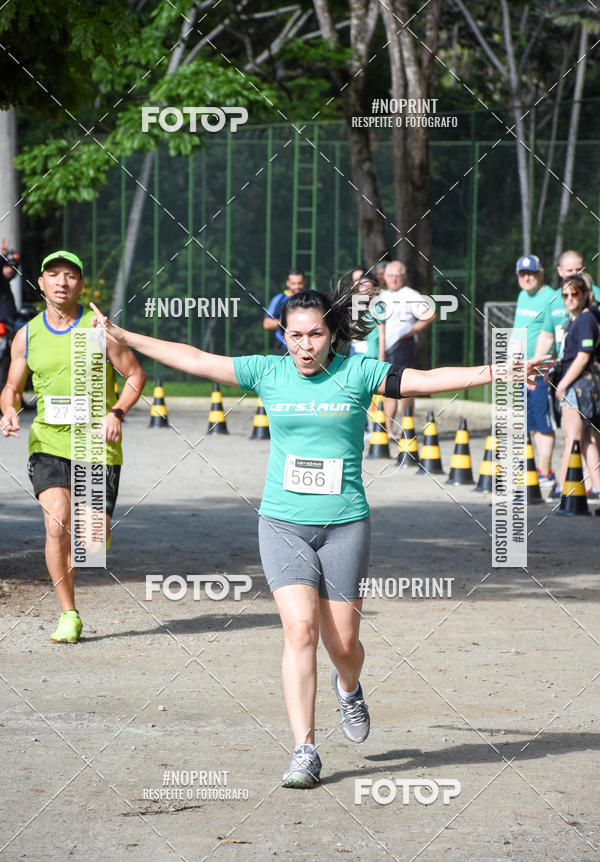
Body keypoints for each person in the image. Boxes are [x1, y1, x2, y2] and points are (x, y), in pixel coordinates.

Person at [88, 279, 549, 789]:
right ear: (282, 335)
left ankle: (348, 687)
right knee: (299, 631)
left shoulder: (358, 372)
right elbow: (195, 358)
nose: (304, 345)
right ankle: (304, 748)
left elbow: (426, 379)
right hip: (282, 523)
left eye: (314, 335)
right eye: (295, 335)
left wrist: (498, 370)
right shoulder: (268, 371)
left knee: (344, 643)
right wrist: (122, 334)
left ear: (332, 335)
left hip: (345, 524)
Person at [0, 250, 146, 643]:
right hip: (47, 440)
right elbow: (12, 387)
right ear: (42, 283)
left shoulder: (99, 329)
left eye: (71, 276)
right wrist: (10, 411)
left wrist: (116, 412)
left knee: (91, 541)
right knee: (55, 523)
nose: (62, 282)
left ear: (81, 285)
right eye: (54, 274)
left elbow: (135, 374)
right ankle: (68, 613)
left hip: (95, 445)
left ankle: (96, 533)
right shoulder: (27, 334)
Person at [551, 275, 600, 499]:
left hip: (580, 385)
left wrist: (562, 384)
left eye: (575, 294)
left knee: (572, 439)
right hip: (581, 383)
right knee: (587, 440)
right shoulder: (575, 319)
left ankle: (563, 487)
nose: (569, 299)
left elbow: (582, 357)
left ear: (584, 295)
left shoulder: (586, 320)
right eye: (565, 295)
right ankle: (598, 488)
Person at [512, 254, 556, 484]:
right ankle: (537, 469)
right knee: (529, 422)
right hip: (521, 371)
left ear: (541, 273)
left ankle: (546, 471)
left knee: (542, 420)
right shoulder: (522, 296)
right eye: (522, 274)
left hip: (540, 372)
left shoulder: (551, 297)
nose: (527, 278)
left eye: (531, 273)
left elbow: (554, 334)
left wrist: (545, 367)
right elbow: (519, 331)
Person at [379, 260, 435, 435]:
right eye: (391, 276)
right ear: (385, 277)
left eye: (398, 276)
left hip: (403, 346)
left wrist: (411, 331)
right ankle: (388, 429)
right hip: (384, 347)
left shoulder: (410, 294)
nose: (394, 280)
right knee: (387, 388)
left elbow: (430, 314)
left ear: (403, 277)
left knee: (403, 387)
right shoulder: (381, 295)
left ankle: (406, 426)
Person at [263, 269, 306, 353]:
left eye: (299, 283)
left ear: (304, 282)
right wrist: (289, 323)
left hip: (305, 346)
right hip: (283, 348)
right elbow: (266, 323)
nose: (297, 286)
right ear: (288, 283)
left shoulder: (310, 298)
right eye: (294, 283)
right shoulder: (279, 299)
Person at [0, 238, 19, 329]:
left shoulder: (6, 284)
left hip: (10, 325)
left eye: (13, 267)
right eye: (7, 266)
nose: (10, 270)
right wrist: (2, 256)